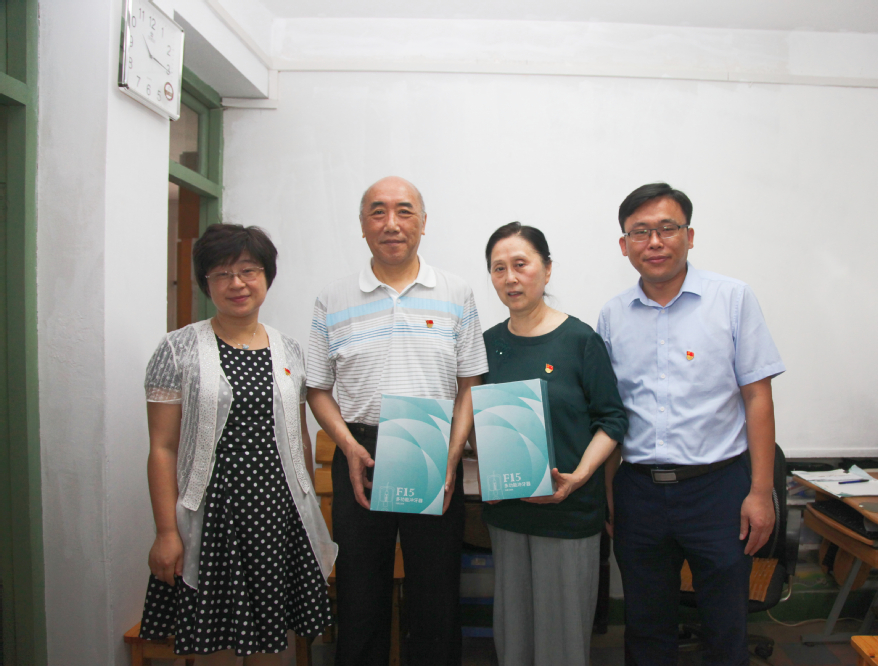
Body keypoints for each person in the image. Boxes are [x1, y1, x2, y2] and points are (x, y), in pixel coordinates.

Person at [598, 183, 785, 666]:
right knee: (645, 626)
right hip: (639, 491)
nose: (654, 242)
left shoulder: (732, 299)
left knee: (725, 625)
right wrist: (611, 492)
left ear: (690, 235)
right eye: (640, 232)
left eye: (667, 228)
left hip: (718, 491)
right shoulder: (612, 315)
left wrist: (760, 492)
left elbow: (758, 398)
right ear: (624, 244)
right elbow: (612, 413)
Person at [306, 176, 488, 666]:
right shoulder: (333, 298)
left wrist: (452, 454)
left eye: (405, 211)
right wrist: (348, 445)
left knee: (436, 593)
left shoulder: (456, 292)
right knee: (361, 592)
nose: (392, 223)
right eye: (378, 212)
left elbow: (470, 383)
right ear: (362, 225)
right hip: (361, 453)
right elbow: (317, 389)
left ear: (423, 223)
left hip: (432, 447)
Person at [139, 224, 337, 665]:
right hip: (212, 518)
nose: (237, 283)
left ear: (266, 276)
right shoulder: (177, 349)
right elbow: (162, 447)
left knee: (272, 642)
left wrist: (305, 510)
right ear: (205, 282)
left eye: (248, 270)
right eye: (222, 273)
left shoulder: (289, 350)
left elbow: (298, 437)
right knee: (216, 646)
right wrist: (166, 532)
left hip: (276, 514)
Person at [479, 222, 628, 666]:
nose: (510, 278)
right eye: (498, 268)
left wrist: (579, 477)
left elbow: (612, 419)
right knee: (514, 633)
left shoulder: (580, 340)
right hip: (508, 510)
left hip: (568, 510)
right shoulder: (487, 344)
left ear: (546, 269)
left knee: (561, 637)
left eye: (520, 264)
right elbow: (476, 416)